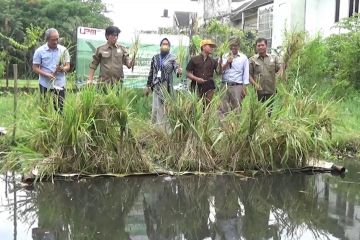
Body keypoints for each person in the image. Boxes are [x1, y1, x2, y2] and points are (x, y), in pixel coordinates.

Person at [145, 38, 182, 128]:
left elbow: (177, 69)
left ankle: (165, 129)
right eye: (163, 44)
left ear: (169, 47)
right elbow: (151, 72)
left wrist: (179, 71)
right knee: (156, 107)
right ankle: (155, 128)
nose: (165, 46)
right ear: (160, 45)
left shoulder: (173, 57)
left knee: (165, 107)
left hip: (166, 86)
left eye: (167, 44)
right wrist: (148, 85)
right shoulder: (155, 57)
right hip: (156, 86)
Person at [32, 28, 70, 113]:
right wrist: (47, 74)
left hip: (59, 83)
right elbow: (35, 68)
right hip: (45, 84)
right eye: (53, 40)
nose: (56, 42)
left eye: (57, 39)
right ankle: (44, 124)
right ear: (47, 39)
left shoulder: (63, 50)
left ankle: (59, 124)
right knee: (44, 108)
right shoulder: (39, 51)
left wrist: (62, 69)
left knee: (60, 109)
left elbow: (68, 66)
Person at [249, 38, 283, 116]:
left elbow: (280, 69)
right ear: (256, 47)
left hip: (270, 91)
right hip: (257, 92)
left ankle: (267, 127)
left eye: (262, 45)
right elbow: (248, 75)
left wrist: (283, 67)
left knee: (269, 112)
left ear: (266, 46)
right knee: (257, 113)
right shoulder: (252, 60)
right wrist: (255, 84)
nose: (260, 47)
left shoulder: (274, 58)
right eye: (258, 45)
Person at [220, 36, 249, 115]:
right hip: (224, 85)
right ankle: (223, 126)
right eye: (231, 45)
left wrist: (244, 87)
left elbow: (246, 74)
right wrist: (227, 62)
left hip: (237, 86)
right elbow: (220, 71)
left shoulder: (244, 58)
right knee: (223, 108)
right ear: (229, 45)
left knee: (237, 108)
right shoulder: (224, 56)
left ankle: (235, 126)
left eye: (235, 45)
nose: (233, 47)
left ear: (238, 46)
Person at [186, 39, 218, 106]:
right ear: (203, 47)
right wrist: (196, 79)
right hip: (196, 87)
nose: (212, 48)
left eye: (212, 47)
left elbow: (219, 72)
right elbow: (188, 73)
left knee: (207, 108)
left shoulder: (213, 61)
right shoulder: (194, 59)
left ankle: (206, 116)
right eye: (210, 46)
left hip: (209, 87)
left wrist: (221, 62)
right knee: (195, 107)